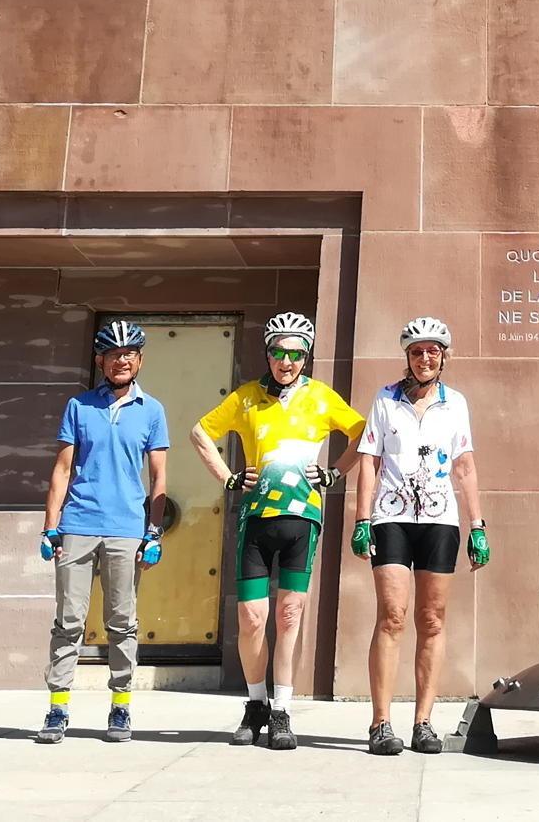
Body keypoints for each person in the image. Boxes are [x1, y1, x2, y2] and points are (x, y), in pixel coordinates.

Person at [189, 311, 364, 751]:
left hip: (302, 518)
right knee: (251, 619)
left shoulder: (321, 397)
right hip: (255, 519)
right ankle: (256, 703)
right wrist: (228, 477)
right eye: (278, 352)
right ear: (267, 353)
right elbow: (199, 433)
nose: (286, 361)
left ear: (305, 356)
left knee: (289, 615)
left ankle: (282, 709)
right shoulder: (247, 397)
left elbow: (365, 433)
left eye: (295, 353)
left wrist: (334, 473)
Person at [349, 315, 490, 756]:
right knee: (392, 614)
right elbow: (369, 460)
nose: (425, 358)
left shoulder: (456, 403)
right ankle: (380, 722)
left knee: (431, 620)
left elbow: (464, 466)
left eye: (432, 351)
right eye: (416, 352)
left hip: (440, 521)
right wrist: (361, 519)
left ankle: (424, 722)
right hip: (391, 517)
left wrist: (478, 527)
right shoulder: (385, 399)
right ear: (407, 358)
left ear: (443, 356)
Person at [36, 319, 169, 745]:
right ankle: (58, 709)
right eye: (113, 354)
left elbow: (159, 479)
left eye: (129, 353)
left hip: (126, 528)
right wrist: (50, 527)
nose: (122, 360)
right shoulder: (79, 406)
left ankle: (121, 707)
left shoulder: (152, 410)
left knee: (122, 621)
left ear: (140, 359)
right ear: (100, 360)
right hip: (77, 524)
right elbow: (61, 469)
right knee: (68, 619)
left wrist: (154, 533)